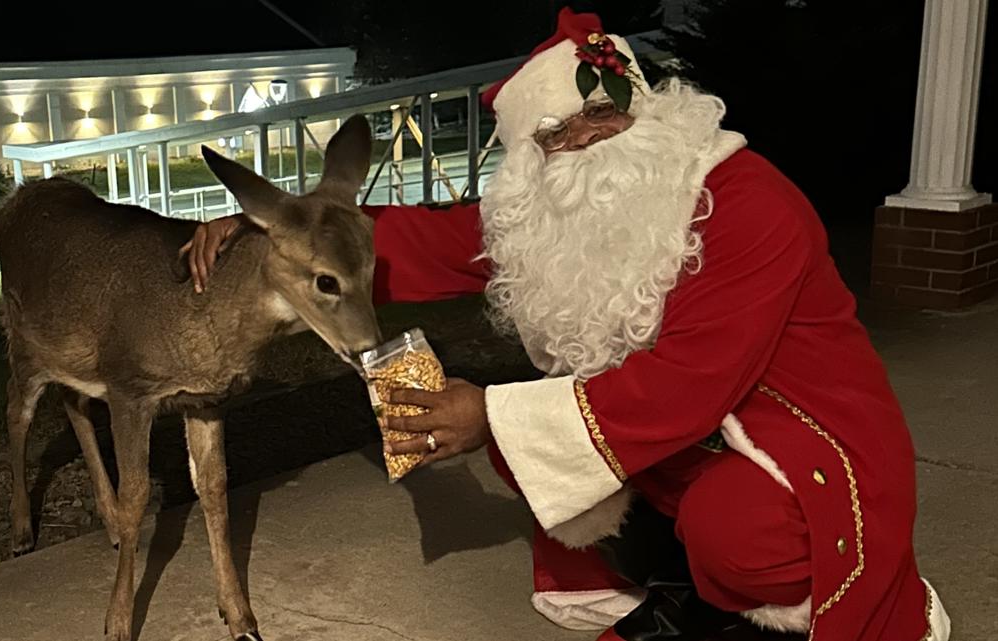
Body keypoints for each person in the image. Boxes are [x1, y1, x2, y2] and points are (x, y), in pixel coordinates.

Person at [180, 9, 949, 641]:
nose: (587, 143)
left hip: (799, 437)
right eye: (558, 136)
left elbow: (687, 384)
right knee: (540, 444)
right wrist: (271, 233)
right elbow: (415, 243)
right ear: (533, 158)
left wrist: (489, 414)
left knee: (732, 528)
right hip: (688, 440)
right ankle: (652, 581)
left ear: (645, 113)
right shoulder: (555, 213)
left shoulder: (750, 205)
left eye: (602, 116)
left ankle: (770, 605)